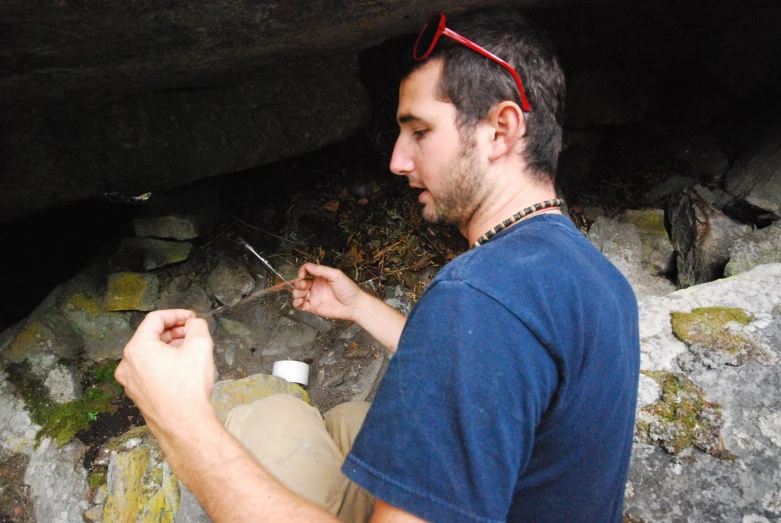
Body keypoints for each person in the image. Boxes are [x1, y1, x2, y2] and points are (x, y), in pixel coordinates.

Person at [116, 8, 640, 523]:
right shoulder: (594, 278)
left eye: (419, 131)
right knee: (346, 419)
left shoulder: (477, 294)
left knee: (268, 417)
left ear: (500, 130)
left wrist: (181, 424)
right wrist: (360, 306)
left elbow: (483, 329)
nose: (396, 161)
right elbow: (497, 371)